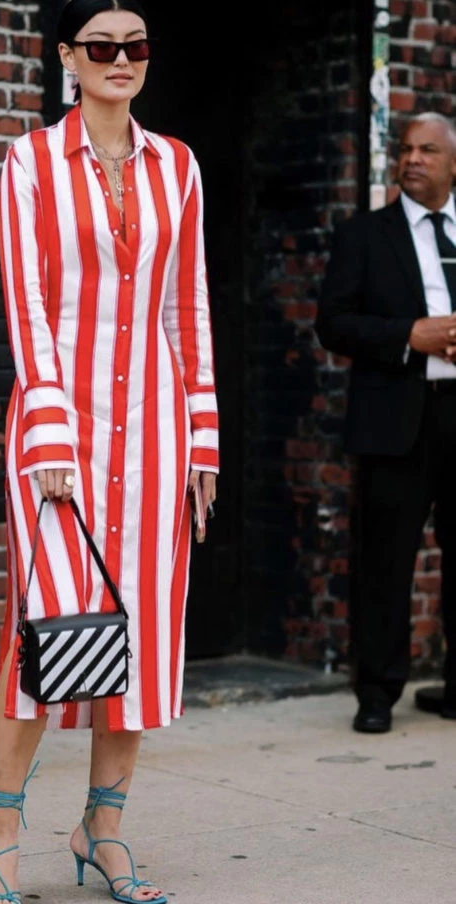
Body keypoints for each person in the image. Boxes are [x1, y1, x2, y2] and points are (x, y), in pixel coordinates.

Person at [0, 0, 220, 901]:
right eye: (102, 45)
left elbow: (188, 307)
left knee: (138, 628)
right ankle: (0, 833)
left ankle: (102, 830)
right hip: (59, 427)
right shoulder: (31, 160)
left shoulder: (179, 165)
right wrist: (47, 430)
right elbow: (27, 303)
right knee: (42, 624)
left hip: (155, 429)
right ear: (68, 58)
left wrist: (202, 442)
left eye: (136, 45)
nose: (122, 58)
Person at [315, 111, 456, 734]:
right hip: (397, 417)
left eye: (428, 150)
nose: (413, 159)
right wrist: (408, 335)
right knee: (385, 563)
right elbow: (333, 323)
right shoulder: (364, 236)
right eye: (405, 149)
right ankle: (376, 694)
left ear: (453, 164)